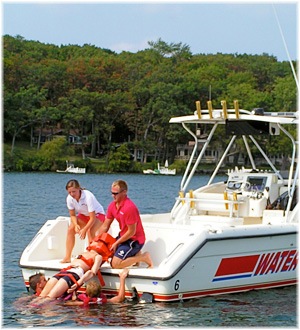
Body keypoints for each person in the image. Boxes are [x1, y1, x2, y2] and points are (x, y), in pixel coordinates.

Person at [98, 180, 153, 269]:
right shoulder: (112, 206)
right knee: (105, 253)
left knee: (115, 264)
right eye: (112, 193)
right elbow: (105, 225)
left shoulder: (129, 208)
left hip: (134, 240)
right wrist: (98, 240)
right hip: (123, 236)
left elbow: (132, 232)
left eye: (116, 193)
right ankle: (136, 254)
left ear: (124, 192)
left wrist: (116, 243)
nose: (113, 196)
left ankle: (143, 257)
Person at [61, 179, 106, 263]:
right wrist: (76, 224)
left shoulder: (88, 196)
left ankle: (92, 256)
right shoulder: (69, 199)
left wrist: (84, 230)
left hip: (98, 214)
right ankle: (67, 257)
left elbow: (92, 218)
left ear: (79, 189)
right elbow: (72, 215)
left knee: (90, 230)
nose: (72, 194)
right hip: (84, 215)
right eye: (69, 192)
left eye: (74, 192)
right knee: (71, 229)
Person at [65, 268, 129, 306]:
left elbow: (68, 303)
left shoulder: (83, 302)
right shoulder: (104, 300)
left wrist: (74, 299)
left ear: (86, 292)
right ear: (100, 292)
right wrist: (122, 278)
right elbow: (120, 298)